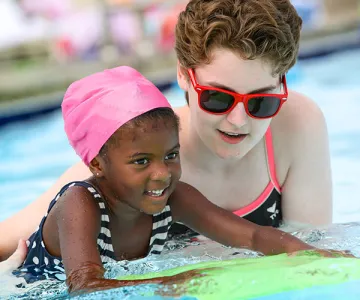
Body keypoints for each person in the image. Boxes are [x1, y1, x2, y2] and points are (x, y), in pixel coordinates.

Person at [0, 0, 332, 263]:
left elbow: (313, 259)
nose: (238, 120)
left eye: (261, 102)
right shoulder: (136, 150)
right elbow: (10, 241)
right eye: (218, 98)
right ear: (185, 77)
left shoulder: (297, 126)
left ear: (282, 85)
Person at [12, 66, 324, 294]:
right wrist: (172, 281)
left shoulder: (174, 197)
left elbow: (253, 237)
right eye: (141, 161)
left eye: (171, 155)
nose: (162, 173)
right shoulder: (80, 204)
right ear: (97, 164)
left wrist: (309, 253)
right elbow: (84, 285)